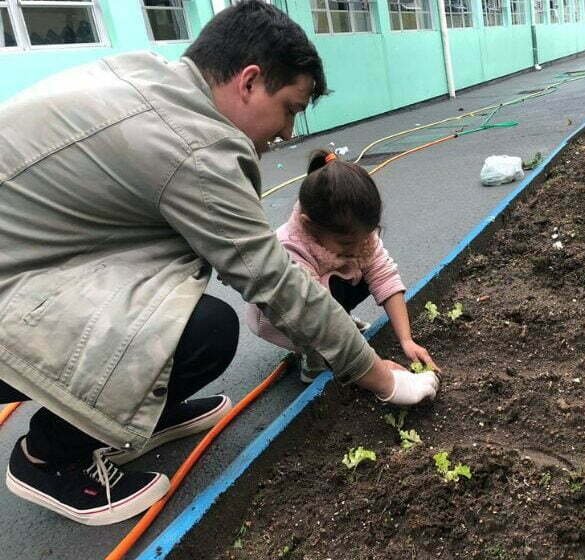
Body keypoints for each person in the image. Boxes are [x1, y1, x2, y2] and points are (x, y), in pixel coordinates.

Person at [0, 1, 437, 526]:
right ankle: (47, 456)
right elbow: (274, 280)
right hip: (16, 293)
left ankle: (136, 413)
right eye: (291, 107)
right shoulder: (192, 148)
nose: (287, 133)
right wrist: (379, 377)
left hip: (39, 261)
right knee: (206, 330)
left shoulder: (148, 76)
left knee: (180, 299)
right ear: (249, 82)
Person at [246, 150, 439, 380]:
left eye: (367, 236)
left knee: (366, 271)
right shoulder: (289, 250)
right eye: (347, 242)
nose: (359, 247)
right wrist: (377, 369)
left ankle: (342, 323)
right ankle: (313, 359)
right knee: (322, 322)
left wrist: (406, 340)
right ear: (309, 226)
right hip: (285, 317)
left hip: (324, 293)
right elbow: (312, 315)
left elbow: (384, 275)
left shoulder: (356, 233)